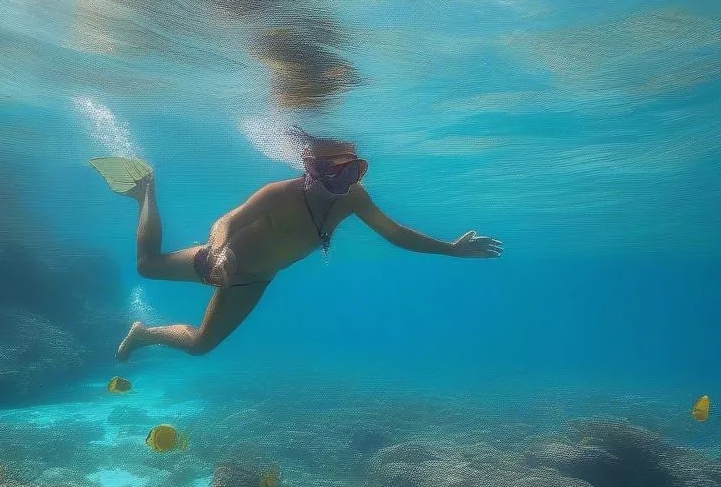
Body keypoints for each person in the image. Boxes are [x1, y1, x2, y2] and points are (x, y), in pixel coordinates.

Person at [92, 132, 502, 360]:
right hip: (226, 261)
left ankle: (144, 333)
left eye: (353, 170)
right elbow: (228, 221)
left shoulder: (354, 198)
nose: (344, 183)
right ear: (310, 170)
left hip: (256, 280)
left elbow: (394, 233)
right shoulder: (280, 193)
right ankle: (146, 190)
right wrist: (216, 251)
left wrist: (451, 249)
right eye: (333, 172)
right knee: (148, 265)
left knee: (201, 346)